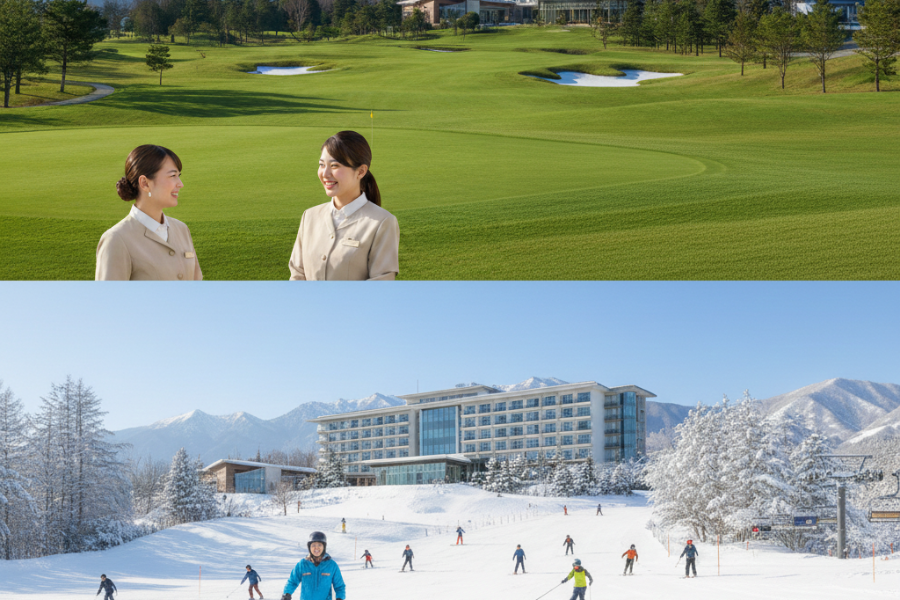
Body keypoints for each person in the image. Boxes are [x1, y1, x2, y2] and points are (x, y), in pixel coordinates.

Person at [288, 131, 399, 281]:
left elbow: (380, 286)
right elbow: (297, 275)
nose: (325, 173)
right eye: (321, 165)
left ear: (361, 171)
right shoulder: (309, 216)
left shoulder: (383, 223)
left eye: (334, 165)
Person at [96, 144, 202, 280]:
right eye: (173, 175)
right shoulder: (116, 239)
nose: (180, 184)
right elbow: (109, 299)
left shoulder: (182, 229)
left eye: (179, 175)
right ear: (145, 183)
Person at [281, 531, 345, 600]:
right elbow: (293, 581)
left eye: (319, 545)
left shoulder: (332, 565)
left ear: (324, 547)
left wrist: (340, 598)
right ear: (309, 547)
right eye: (313, 545)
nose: (316, 548)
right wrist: (287, 594)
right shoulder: (302, 564)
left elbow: (339, 586)